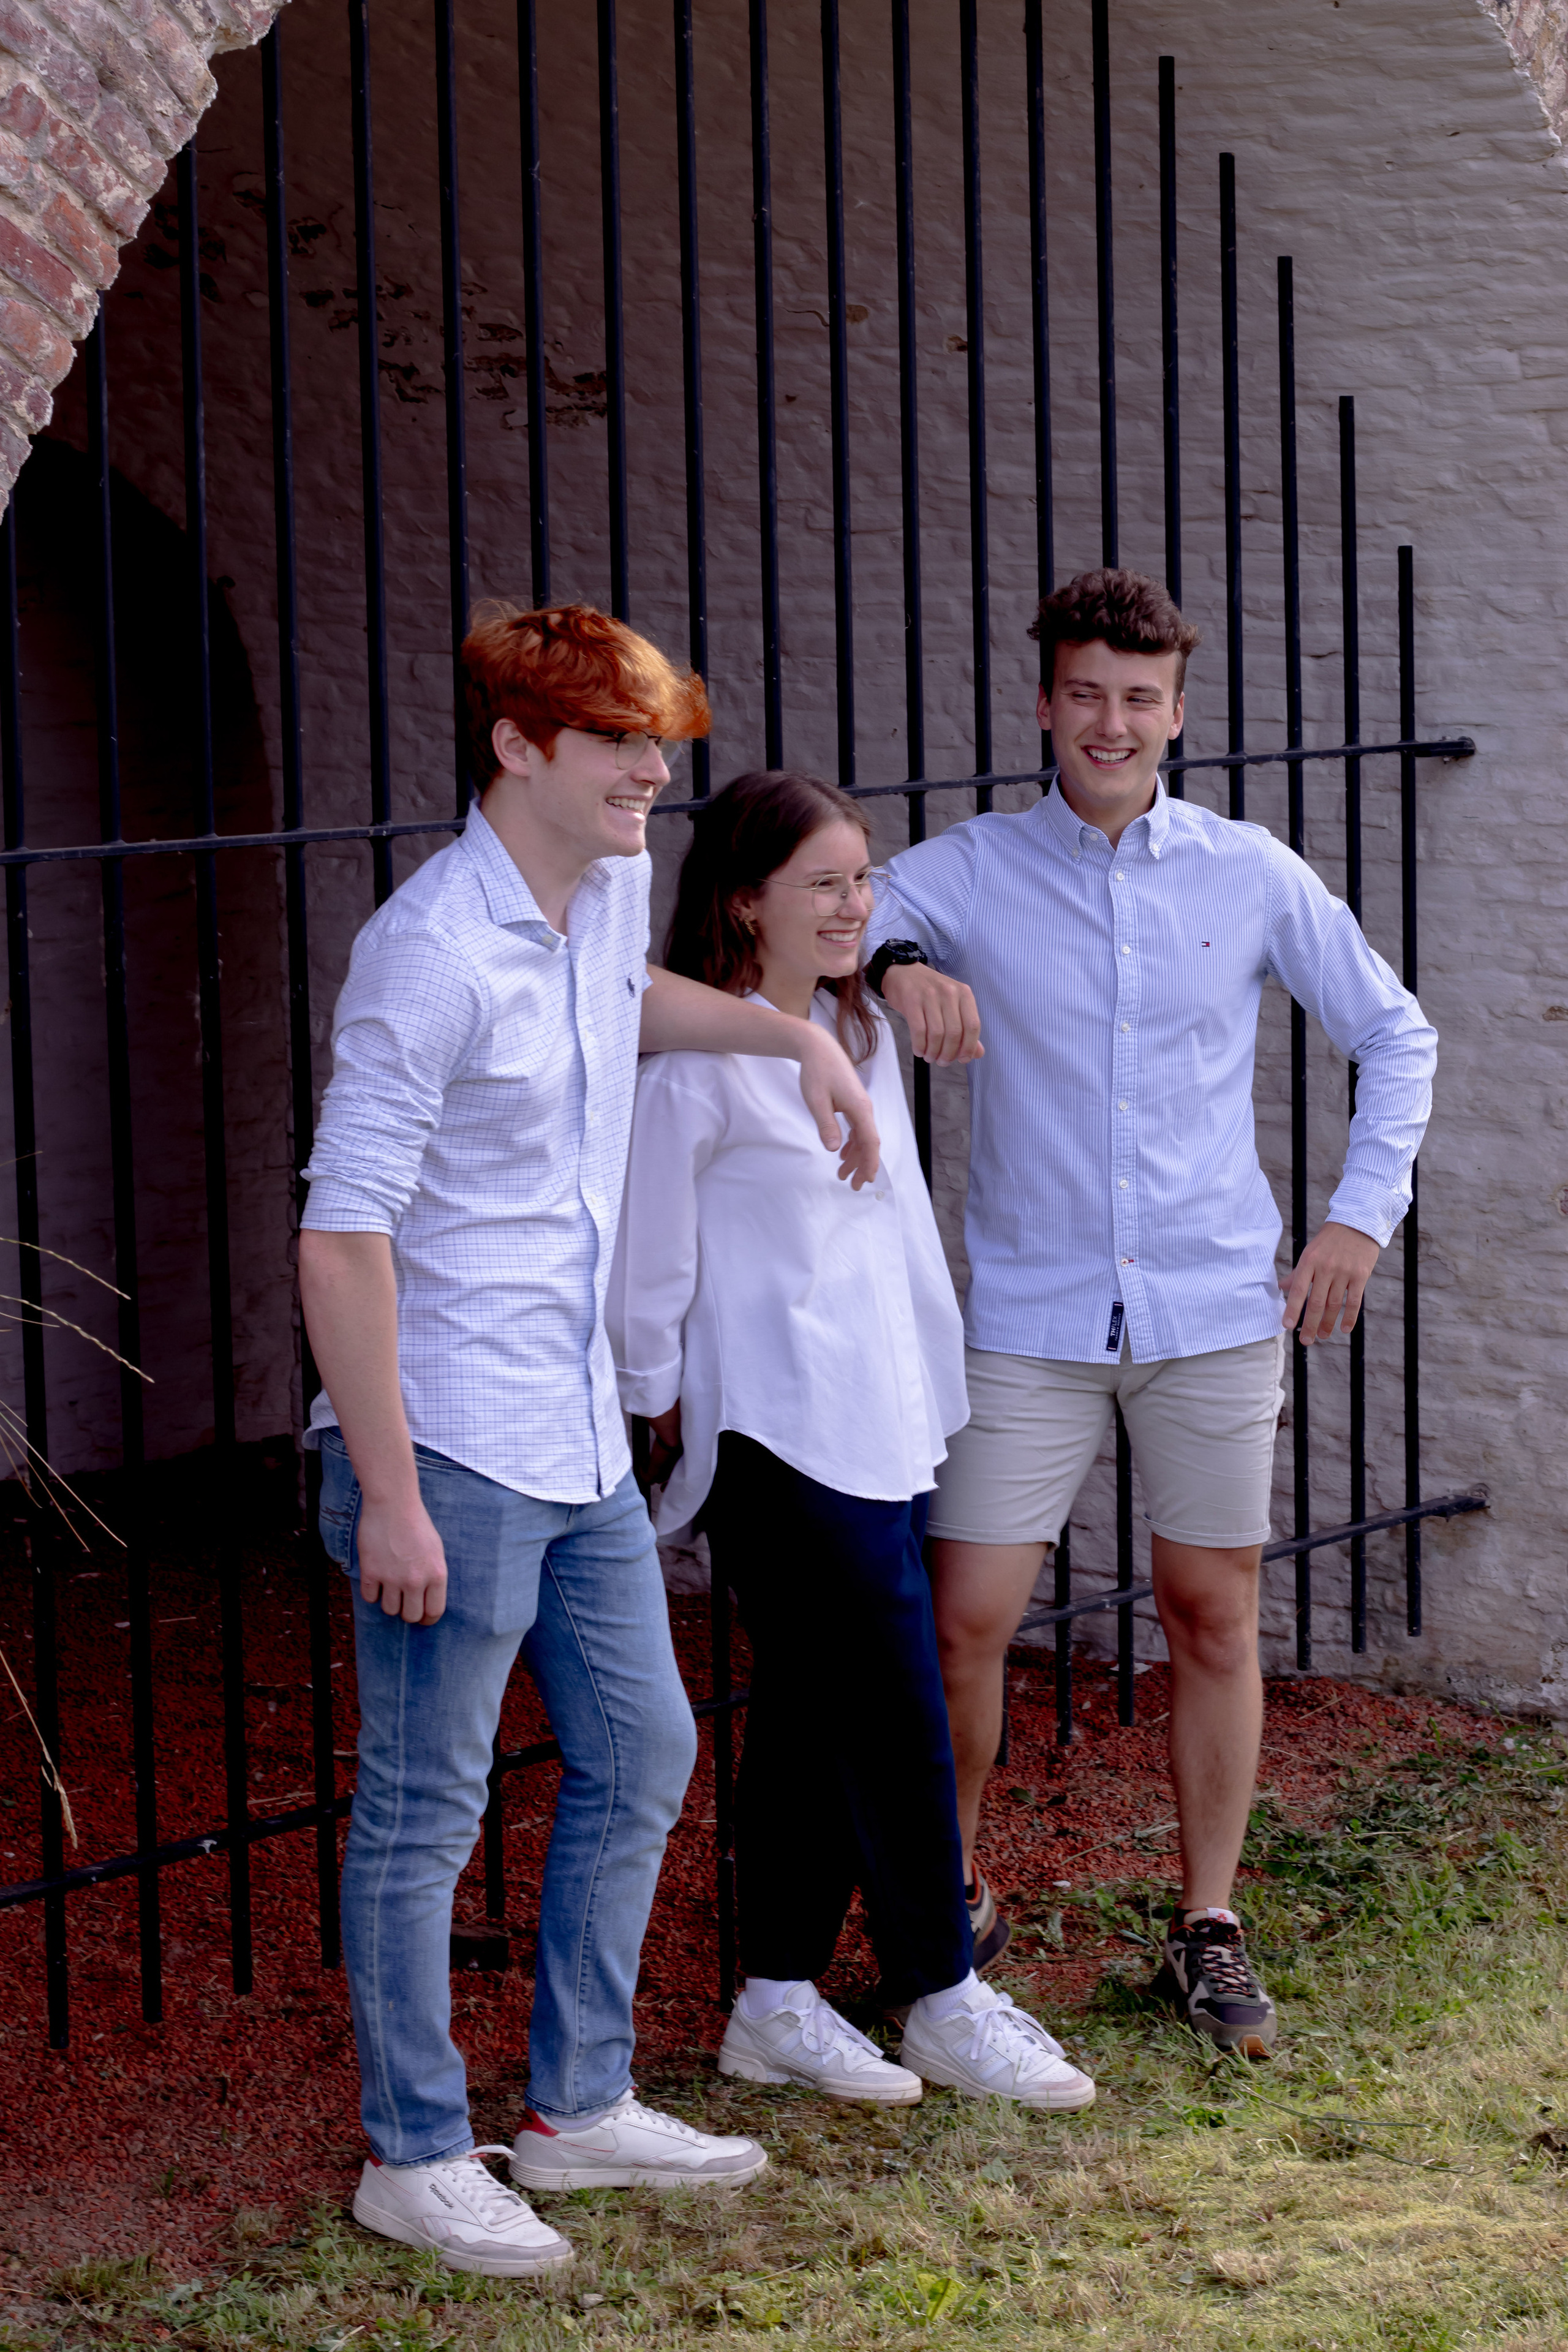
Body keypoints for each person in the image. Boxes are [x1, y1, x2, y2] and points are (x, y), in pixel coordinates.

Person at [298, 606, 889, 2279]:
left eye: (659, 736)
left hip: (571, 1434)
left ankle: (574, 2111)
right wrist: (393, 1494)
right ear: (518, 747)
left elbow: (618, 1001)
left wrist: (788, 1038)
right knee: (425, 1812)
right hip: (454, 1447)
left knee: (645, 1754)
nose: (655, 767)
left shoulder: (603, 888)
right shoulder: (426, 953)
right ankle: (414, 2153)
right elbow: (342, 1236)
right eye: (619, 738)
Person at [864, 568, 1436, 2059]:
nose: (1109, 721)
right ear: (1043, 702)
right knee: (963, 1623)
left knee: (1209, 1613)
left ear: (1174, 711)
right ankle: (950, 1920)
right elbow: (844, 913)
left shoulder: (1247, 873)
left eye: (1138, 697)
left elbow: (1394, 1032)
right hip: (1030, 1322)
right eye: (1083, 693)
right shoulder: (974, 868)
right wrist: (895, 963)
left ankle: (1204, 1923)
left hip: (1209, 1308)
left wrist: (1353, 1221)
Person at [606, 769, 1095, 2117]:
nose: (851, 905)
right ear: (743, 897)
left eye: (861, 880)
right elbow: (647, 1271)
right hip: (770, 1432)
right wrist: (651, 1412)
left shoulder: (855, 1022)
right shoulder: (694, 1067)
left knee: (816, 1714)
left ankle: (771, 1999)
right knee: (892, 1702)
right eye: (821, 884)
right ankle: (941, 1991)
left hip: (884, 1417)